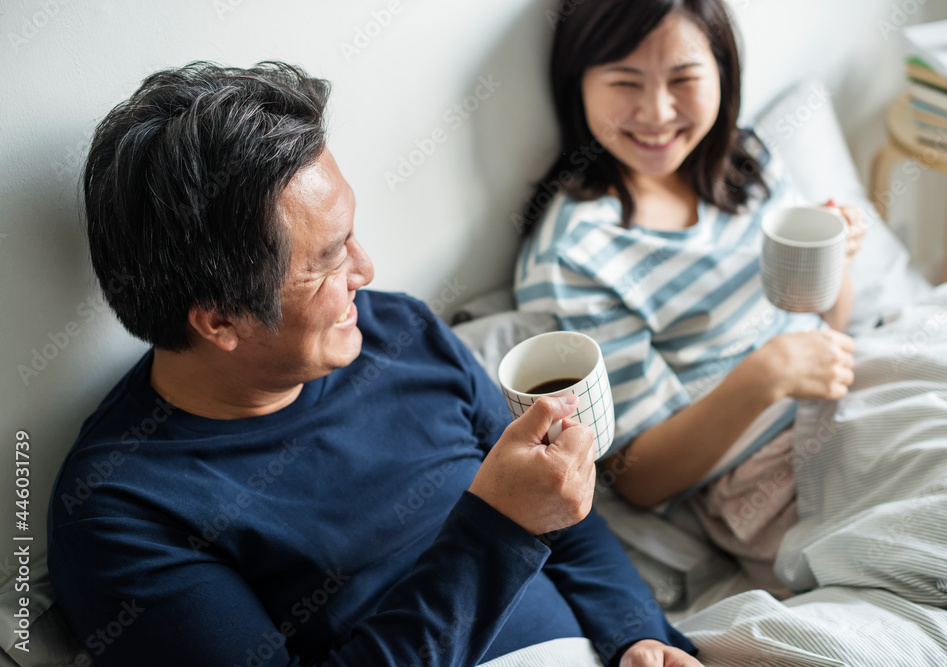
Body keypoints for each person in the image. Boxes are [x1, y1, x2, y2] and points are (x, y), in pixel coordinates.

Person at [46, 61, 702, 667]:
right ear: (220, 318)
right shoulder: (119, 510)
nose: (366, 270)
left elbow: (563, 507)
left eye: (351, 233)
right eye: (329, 257)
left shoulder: (400, 331)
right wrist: (499, 525)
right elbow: (524, 514)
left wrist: (636, 633)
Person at [514, 0, 866, 595]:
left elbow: (832, 320)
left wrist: (837, 259)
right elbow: (638, 477)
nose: (657, 112)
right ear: (578, 85)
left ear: (722, 73)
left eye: (683, 78)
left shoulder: (745, 159)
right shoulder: (579, 253)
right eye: (625, 82)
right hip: (766, 473)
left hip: (852, 386)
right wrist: (765, 375)